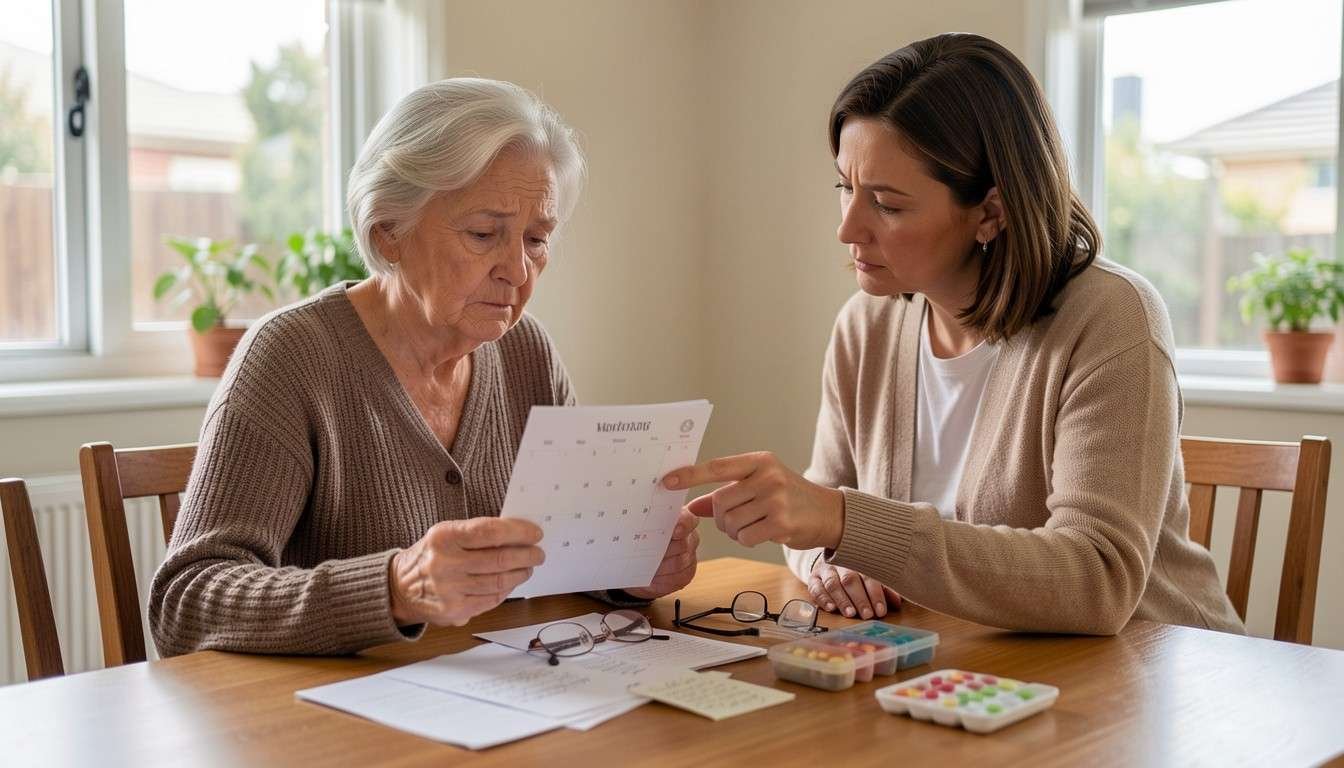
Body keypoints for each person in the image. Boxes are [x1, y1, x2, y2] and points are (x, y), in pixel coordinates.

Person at [662, 33, 1244, 636]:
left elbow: (1096, 579)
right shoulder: (867, 327)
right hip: (973, 665)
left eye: (886, 203)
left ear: (990, 213)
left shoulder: (1112, 320)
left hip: (1155, 676)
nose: (848, 228)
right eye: (845, 187)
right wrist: (825, 559)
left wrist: (842, 524)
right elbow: (823, 509)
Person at [150, 78, 700, 657]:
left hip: (500, 713)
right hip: (333, 729)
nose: (517, 269)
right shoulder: (292, 358)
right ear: (389, 230)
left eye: (537, 238)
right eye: (484, 234)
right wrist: (395, 589)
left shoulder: (526, 352)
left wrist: (630, 569)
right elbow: (185, 602)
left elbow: (565, 555)